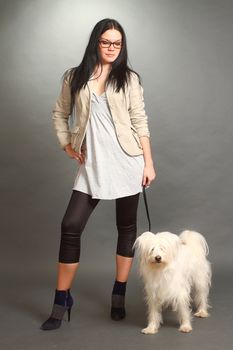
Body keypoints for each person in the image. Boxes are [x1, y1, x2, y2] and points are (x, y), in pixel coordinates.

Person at [40, 18, 156, 331]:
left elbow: (140, 121)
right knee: (71, 226)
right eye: (106, 42)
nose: (111, 48)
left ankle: (119, 293)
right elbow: (59, 112)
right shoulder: (74, 77)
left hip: (127, 161)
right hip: (92, 164)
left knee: (126, 227)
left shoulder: (129, 79)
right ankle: (61, 298)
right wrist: (66, 144)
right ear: (96, 42)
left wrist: (148, 163)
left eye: (117, 43)